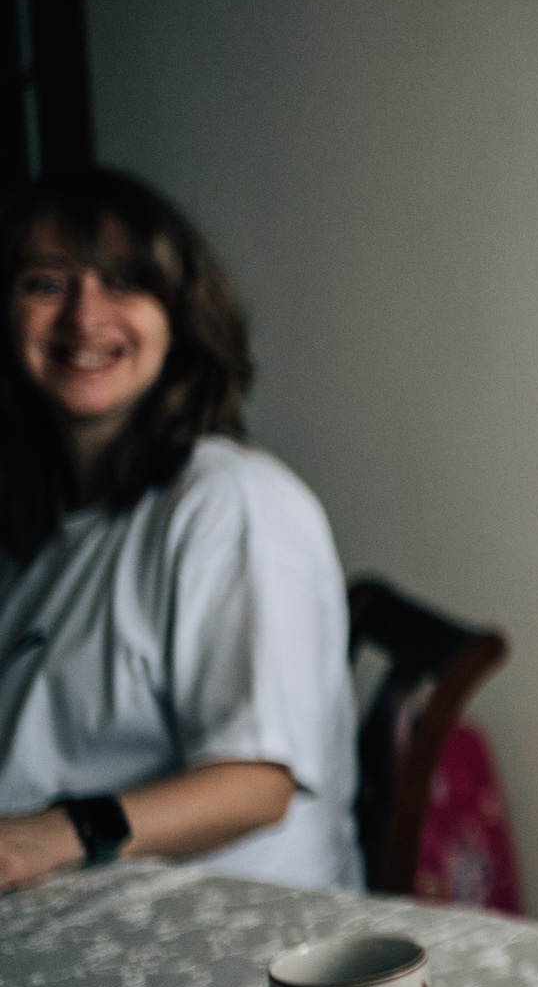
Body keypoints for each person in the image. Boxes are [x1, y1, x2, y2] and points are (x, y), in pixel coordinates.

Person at [0, 168, 360, 893]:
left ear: (182, 319)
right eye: (45, 282)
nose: (83, 316)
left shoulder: (233, 502)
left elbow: (257, 782)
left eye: (125, 283)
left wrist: (41, 838)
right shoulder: (47, 513)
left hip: (233, 940)